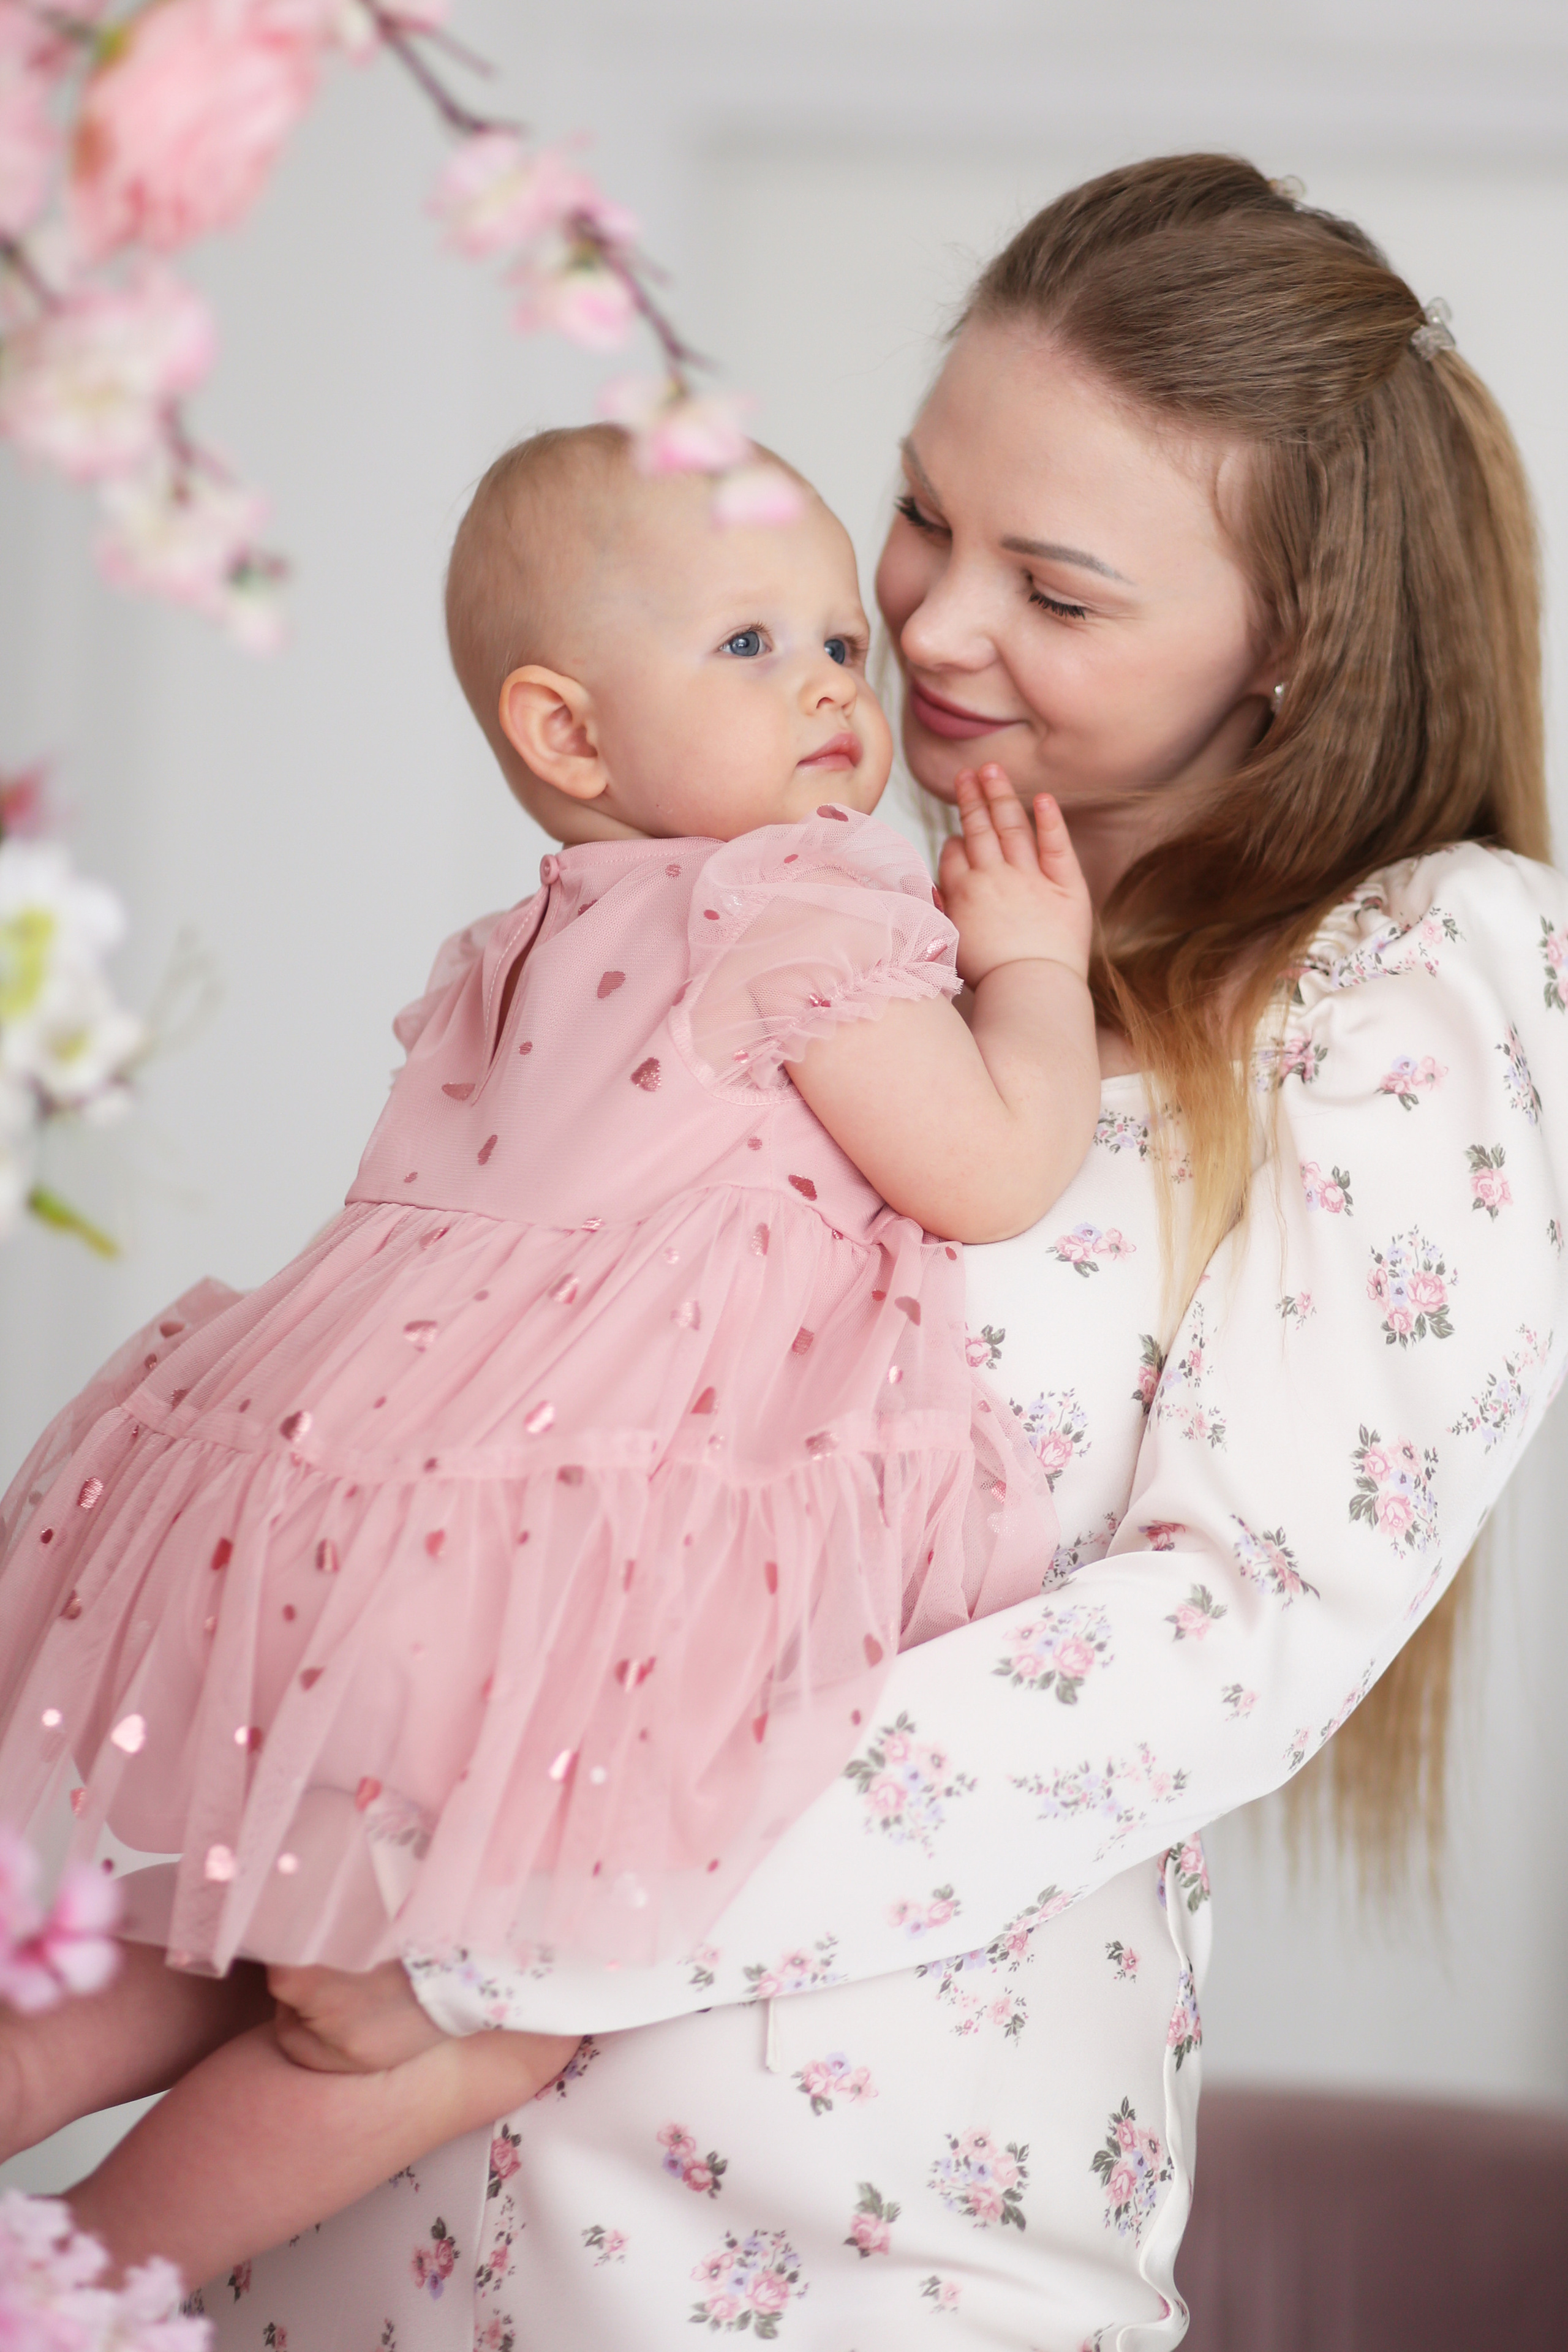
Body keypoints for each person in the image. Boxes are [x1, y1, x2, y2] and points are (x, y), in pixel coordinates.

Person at [154, 154, 1565, 2352]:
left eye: (1059, 592)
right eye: (922, 516)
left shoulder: (1414, 969)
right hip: (357, 2193)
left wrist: (485, 1917)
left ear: (1289, 647)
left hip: (820, 2258)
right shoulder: (827, 896)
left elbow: (1237, 1624)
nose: (919, 628)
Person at [0, 432, 1101, 2288]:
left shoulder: (532, 939)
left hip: (355, 1538)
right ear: (571, 737)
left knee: (238, 1925)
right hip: (535, 1596)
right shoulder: (795, 908)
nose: (837, 682)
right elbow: (991, 1168)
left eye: (840, 638)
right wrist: (1037, 969)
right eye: (751, 646)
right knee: (450, 2022)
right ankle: (74, 2288)